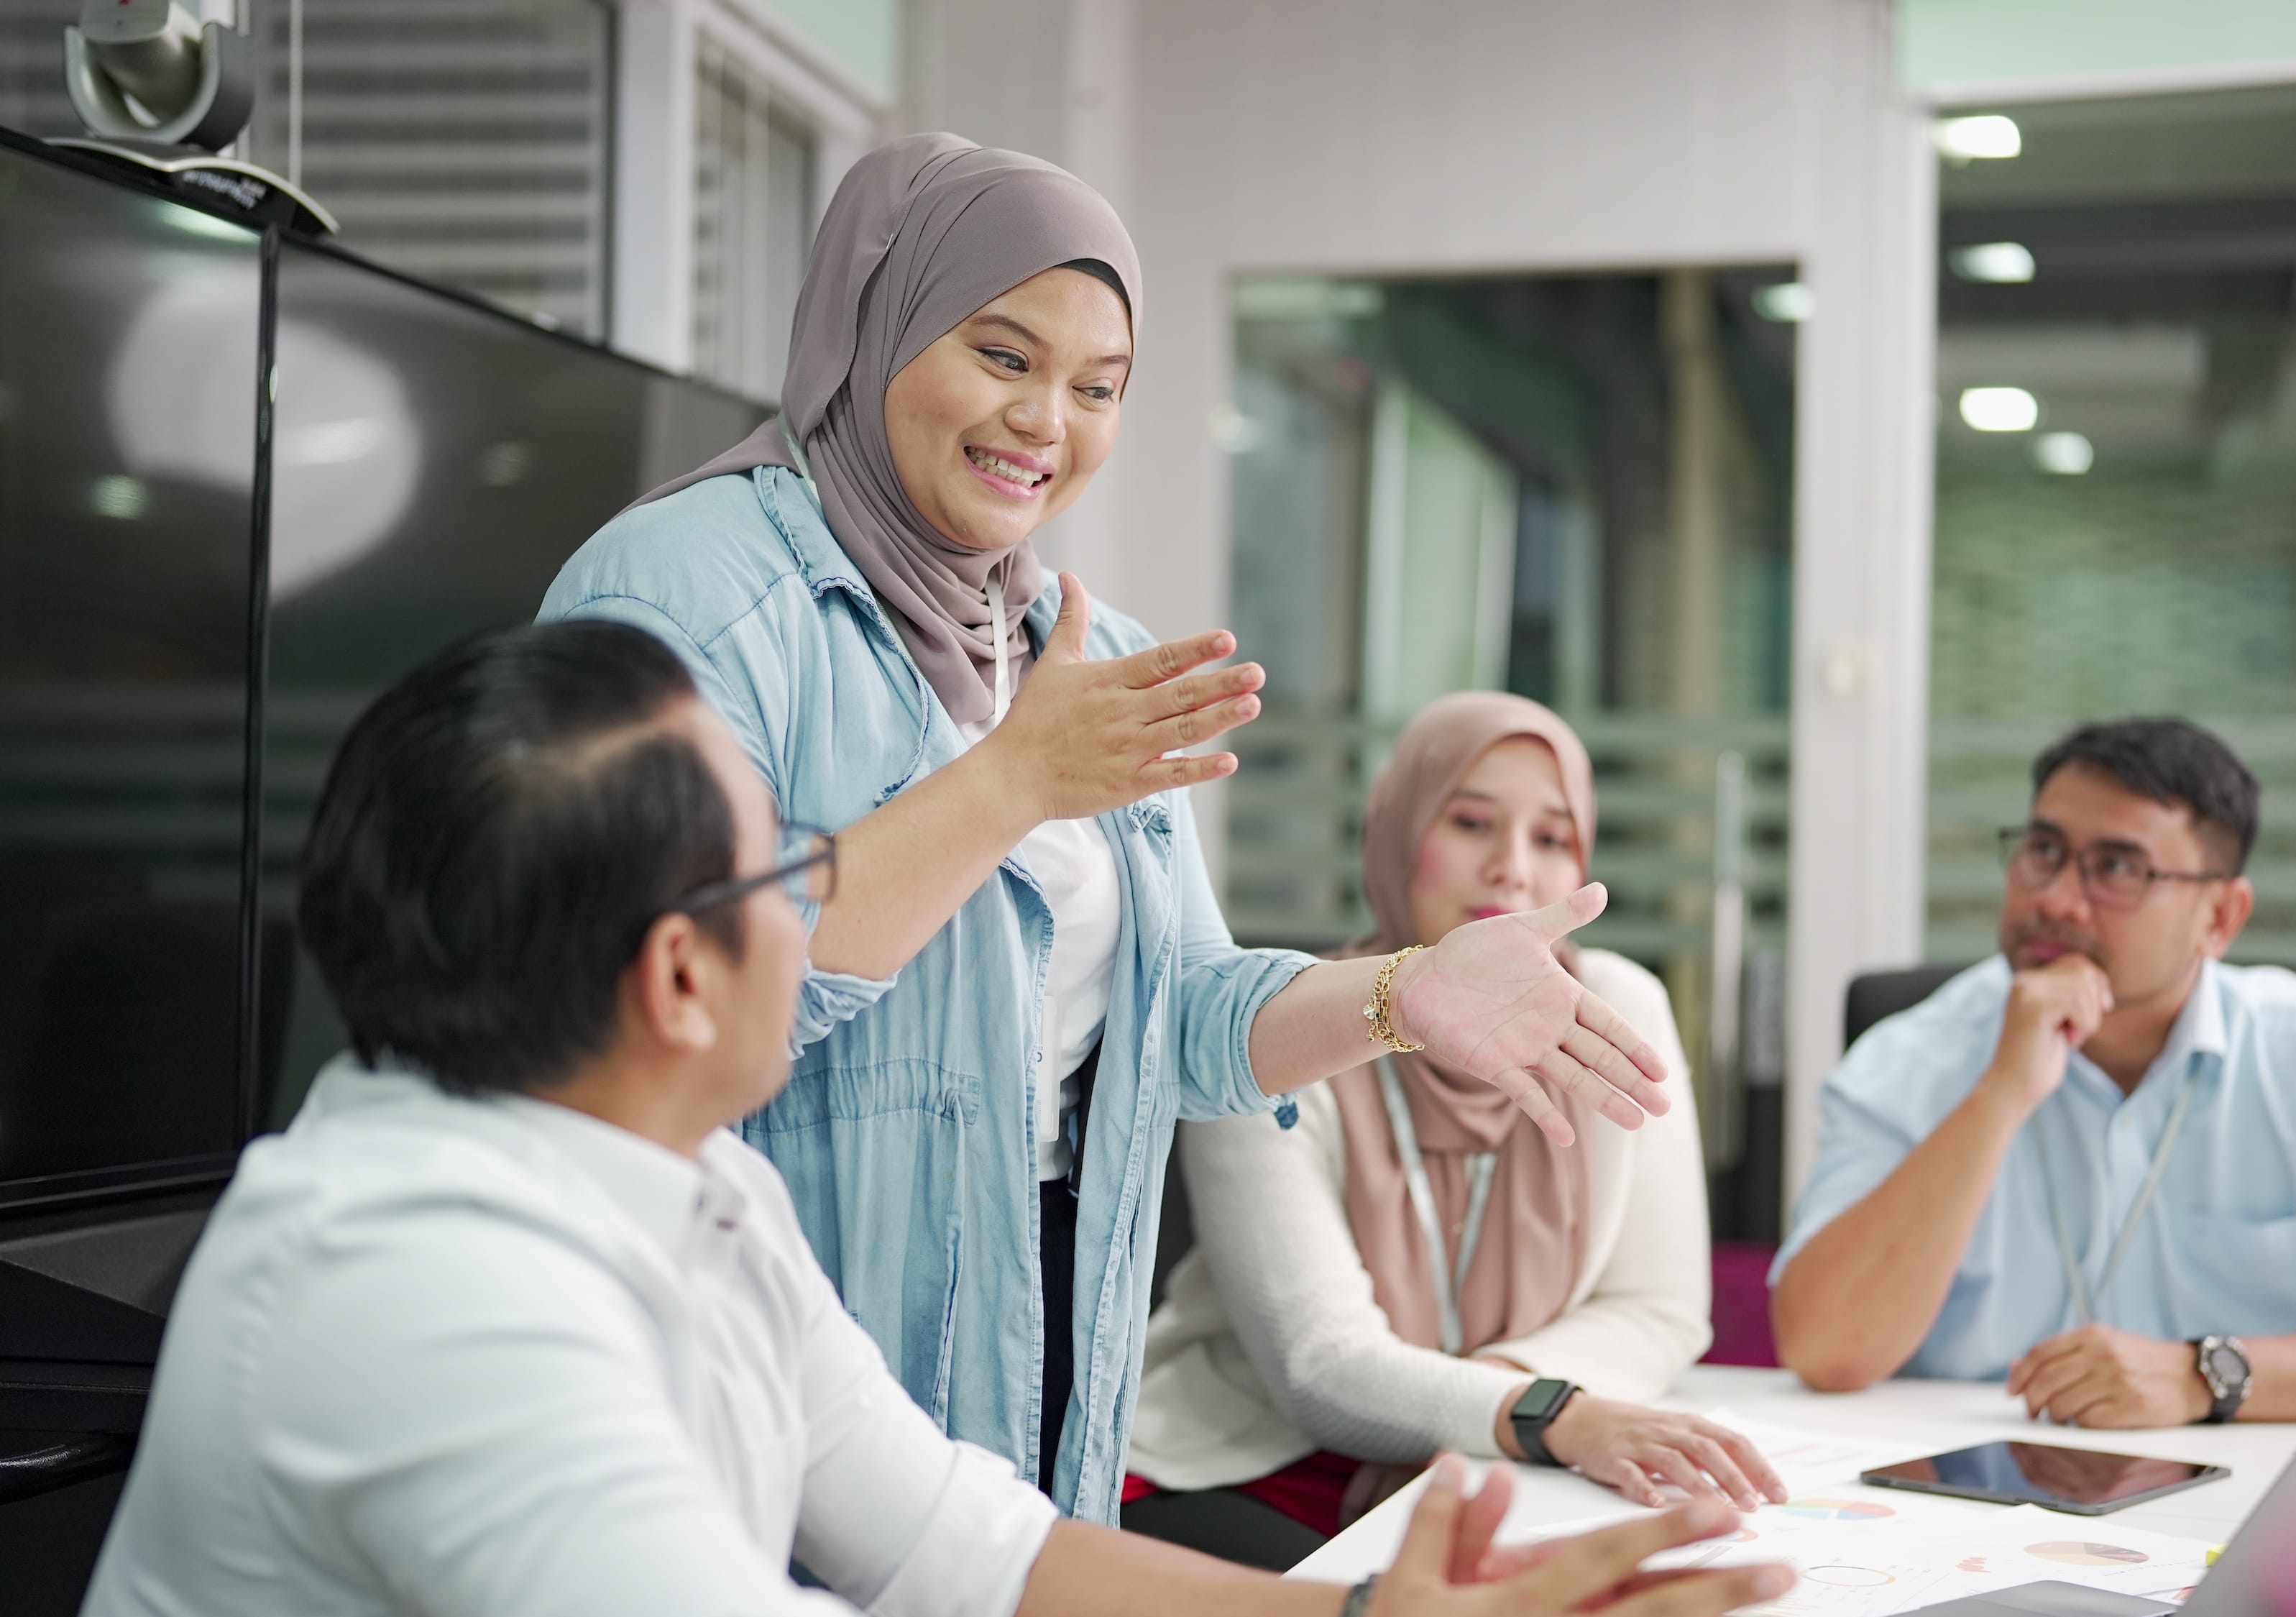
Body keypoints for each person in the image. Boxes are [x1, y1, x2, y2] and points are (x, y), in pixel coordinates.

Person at [65, 621, 1796, 1617]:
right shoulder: (414, 1282)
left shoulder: (682, 1174)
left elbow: (982, 1557)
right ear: (679, 973)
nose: (832, 901)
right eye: (787, 874)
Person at [538, 134, 1673, 1519]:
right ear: (871, 325)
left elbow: (1186, 1015)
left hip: (1055, 1298)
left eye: (1097, 387)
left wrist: (1399, 994)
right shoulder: (689, 588)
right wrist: (1011, 781)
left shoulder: (1066, 643)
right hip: (772, 1308)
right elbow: (670, 994)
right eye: (1003, 357)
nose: (1045, 422)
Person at [1124, 694, 1786, 1570]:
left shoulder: (1619, 1009)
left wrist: (1479, 1416)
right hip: (1245, 1466)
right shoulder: (1275, 1029)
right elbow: (1320, 1366)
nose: (1512, 868)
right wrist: (1550, 1413)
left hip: (1504, 1457)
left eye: (1551, 838)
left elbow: (1657, 1310)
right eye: (1472, 822)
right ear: (1395, 836)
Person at [1770, 717, 2296, 1424]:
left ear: (2219, 917)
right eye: (2042, 849)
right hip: (1960, 1502)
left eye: (2116, 868)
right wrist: (1998, 1093)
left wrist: (2208, 1374)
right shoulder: (1909, 1058)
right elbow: (1823, 1346)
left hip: (2252, 1505)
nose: (2055, 898)